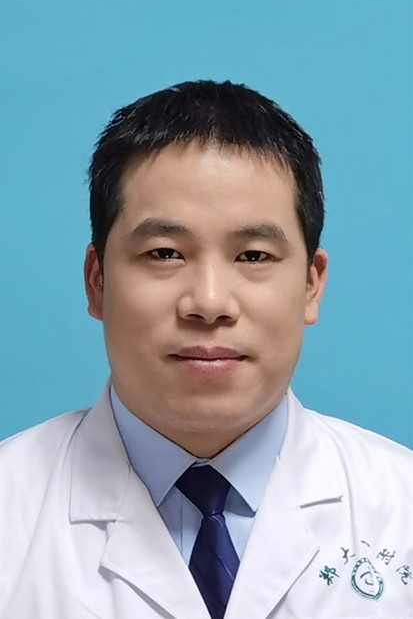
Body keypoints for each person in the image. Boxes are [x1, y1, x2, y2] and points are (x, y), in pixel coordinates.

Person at [0, 80, 411, 619]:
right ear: (97, 281)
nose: (210, 303)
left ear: (312, 285)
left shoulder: (400, 506)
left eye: (254, 256)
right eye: (165, 253)